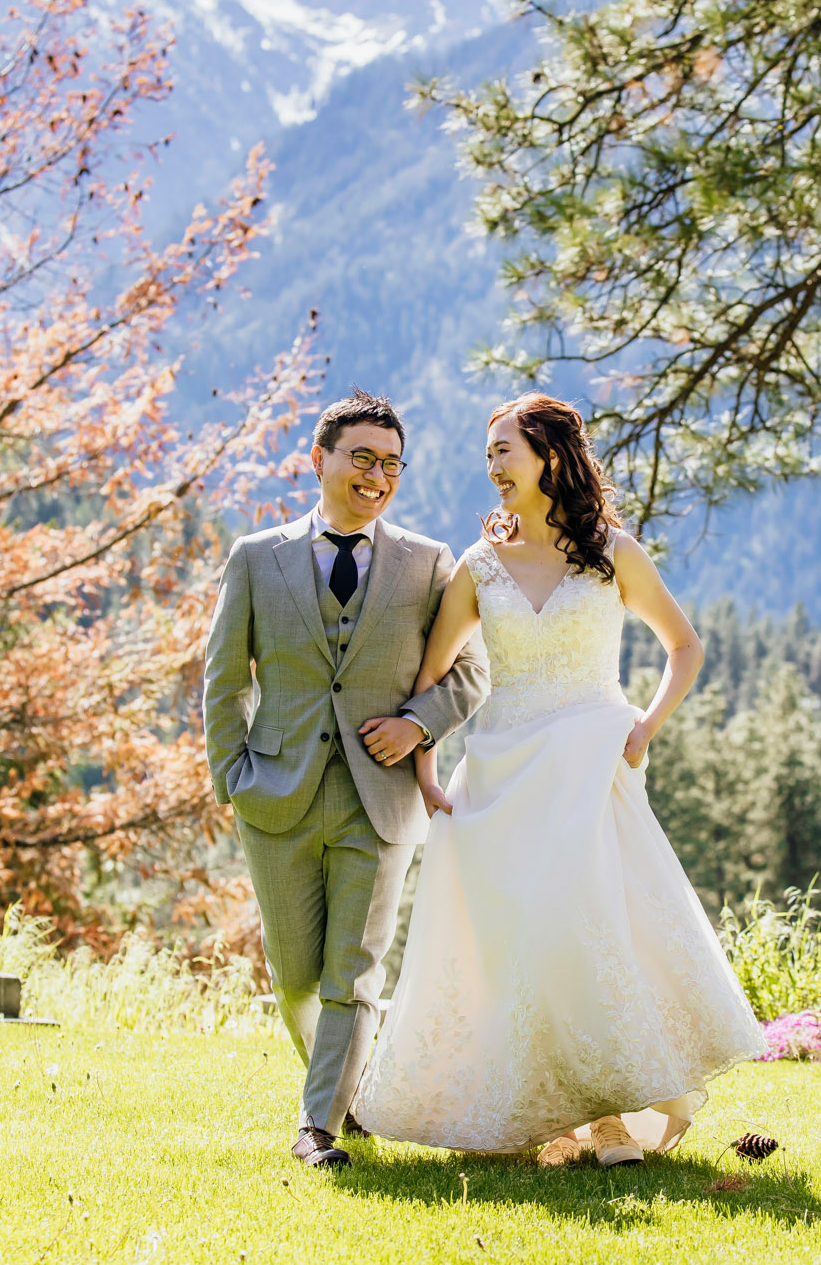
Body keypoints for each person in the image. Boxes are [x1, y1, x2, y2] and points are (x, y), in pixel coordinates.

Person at [351, 392, 762, 1166]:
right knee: (518, 939)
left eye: (505, 449)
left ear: (549, 455)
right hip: (502, 772)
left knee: (584, 927)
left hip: (588, 765)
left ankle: (608, 1111)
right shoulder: (478, 566)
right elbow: (432, 679)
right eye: (489, 455)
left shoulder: (613, 552)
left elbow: (686, 648)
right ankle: (530, 1108)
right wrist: (431, 774)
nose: (494, 466)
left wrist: (642, 728)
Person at [202, 390, 489, 1169]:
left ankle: (317, 1127)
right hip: (276, 793)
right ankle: (348, 1089)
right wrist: (231, 774)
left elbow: (471, 672)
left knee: (352, 971)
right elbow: (224, 676)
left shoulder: (429, 563)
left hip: (381, 798)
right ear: (319, 458)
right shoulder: (256, 558)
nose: (376, 475)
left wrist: (417, 722)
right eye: (361, 456)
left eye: (391, 463)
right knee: (295, 973)